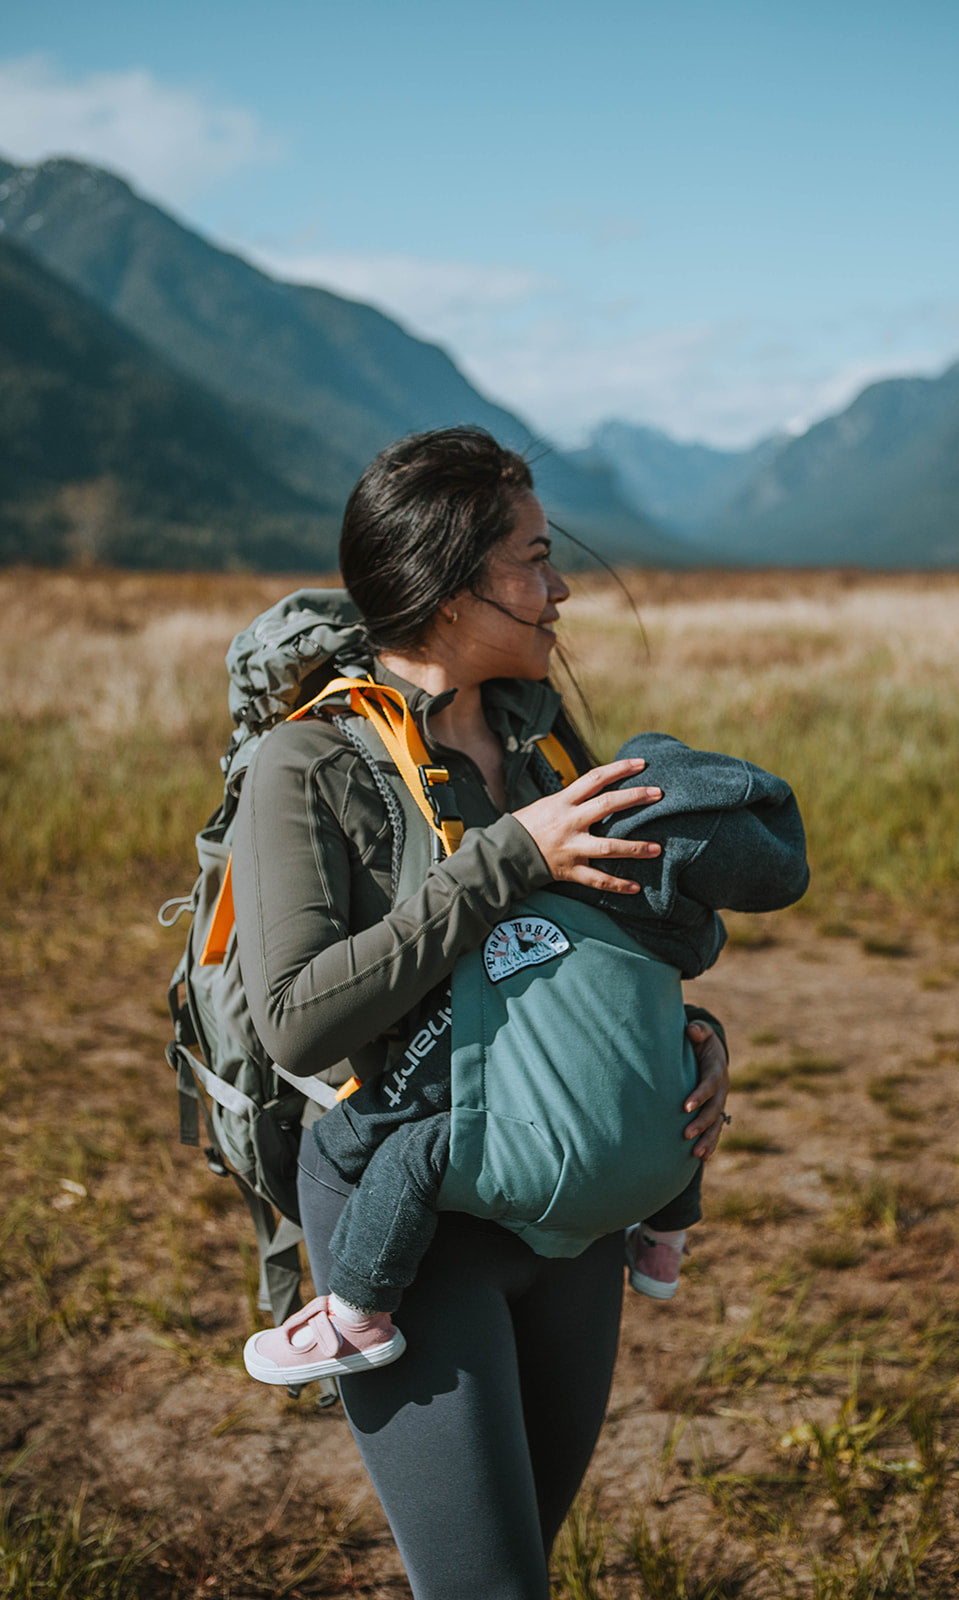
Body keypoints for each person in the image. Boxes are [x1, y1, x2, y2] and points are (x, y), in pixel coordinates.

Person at [231, 426, 731, 1600]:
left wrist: (692, 1042)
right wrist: (507, 856)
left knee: (518, 1569)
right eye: (534, 559)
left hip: (571, 1214)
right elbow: (297, 1021)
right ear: (453, 584)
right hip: (412, 1230)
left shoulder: (542, 743)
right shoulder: (308, 766)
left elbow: (596, 951)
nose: (558, 589)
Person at [242, 732, 809, 1388]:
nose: (556, 621)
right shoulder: (679, 919)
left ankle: (355, 1319)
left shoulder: (542, 741)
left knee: (377, 1145)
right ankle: (662, 1247)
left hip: (517, 1161)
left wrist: (509, 856)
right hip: (654, 1174)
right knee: (670, 1110)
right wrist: (695, 1039)